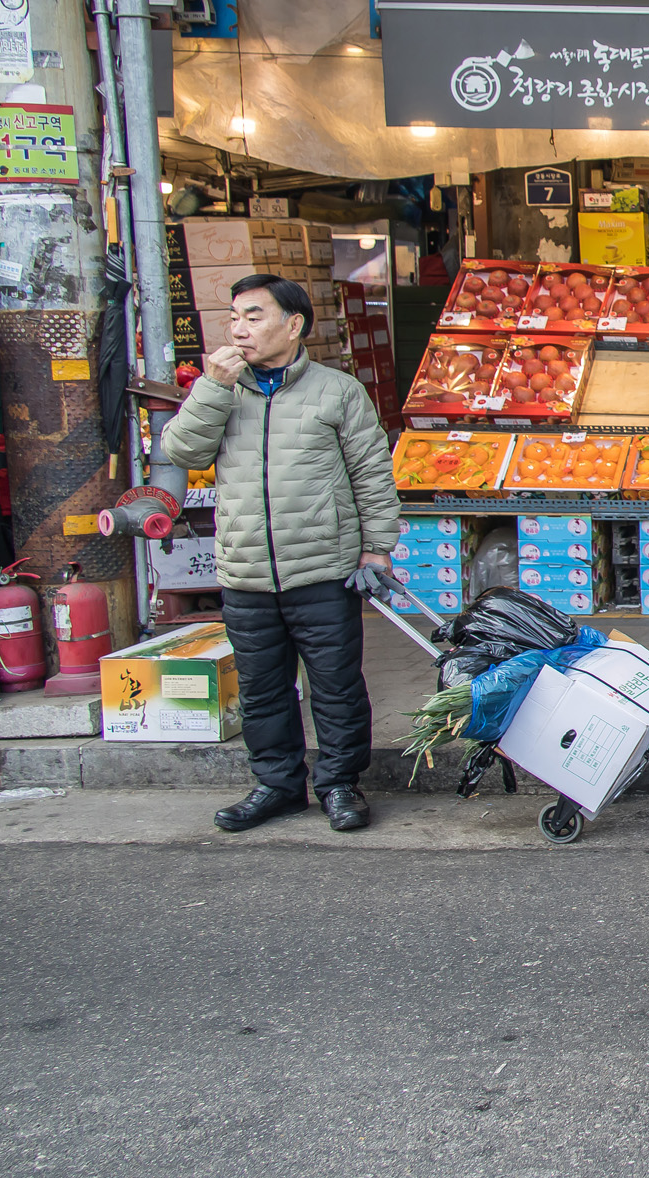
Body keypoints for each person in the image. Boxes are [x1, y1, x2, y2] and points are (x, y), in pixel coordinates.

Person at [160, 274, 400, 834]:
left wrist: (376, 549)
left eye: (254, 316)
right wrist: (211, 388)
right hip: (245, 571)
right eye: (235, 318)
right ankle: (277, 784)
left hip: (322, 567)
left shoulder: (336, 391)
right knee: (262, 688)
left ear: (293, 325)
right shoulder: (220, 390)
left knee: (337, 687)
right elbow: (182, 449)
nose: (240, 329)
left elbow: (371, 473)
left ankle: (340, 783)